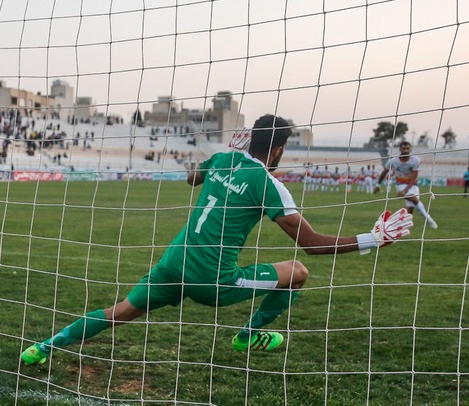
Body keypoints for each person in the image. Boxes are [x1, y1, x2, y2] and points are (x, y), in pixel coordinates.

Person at [20, 115, 414, 365]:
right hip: (212, 279)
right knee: (297, 271)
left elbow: (191, 178)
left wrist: (225, 154)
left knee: (118, 312)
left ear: (249, 140)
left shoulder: (223, 159)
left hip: (173, 263)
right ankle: (248, 334)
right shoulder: (268, 183)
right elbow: (311, 243)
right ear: (277, 149)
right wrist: (371, 238)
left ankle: (42, 347)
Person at [374, 141, 438, 229]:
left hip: (413, 184)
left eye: (407, 148)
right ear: (400, 149)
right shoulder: (393, 161)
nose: (405, 150)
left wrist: (405, 191)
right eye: (403, 148)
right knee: (414, 199)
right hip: (400, 184)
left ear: (410, 149)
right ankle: (429, 220)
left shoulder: (415, 160)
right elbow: (384, 172)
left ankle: (404, 225)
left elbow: (414, 177)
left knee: (411, 206)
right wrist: (378, 185)